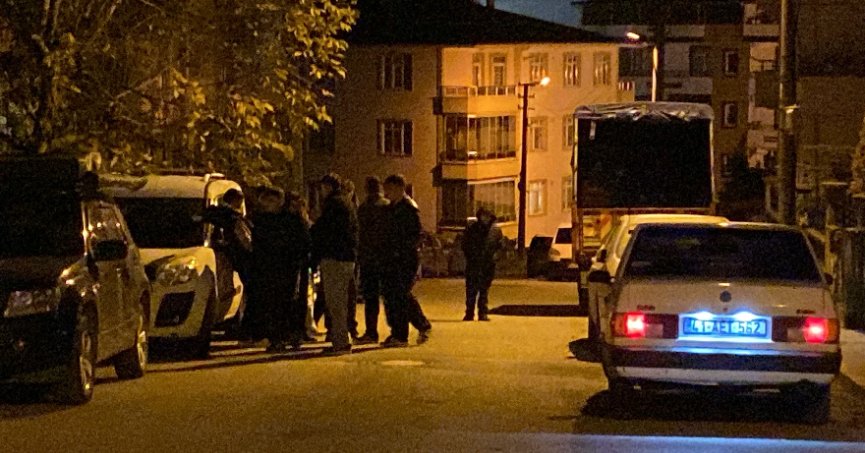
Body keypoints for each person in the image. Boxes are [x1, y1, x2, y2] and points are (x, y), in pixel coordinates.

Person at [247, 187, 310, 352]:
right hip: (269, 268)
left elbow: (302, 241)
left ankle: (286, 336)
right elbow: (257, 244)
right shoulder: (262, 219)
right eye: (266, 201)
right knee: (273, 304)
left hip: (287, 268)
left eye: (272, 201)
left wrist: (296, 259)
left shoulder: (290, 219)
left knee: (286, 303)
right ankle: (277, 338)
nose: (268, 204)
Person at [311, 173, 359, 355]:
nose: (321, 191)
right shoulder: (346, 203)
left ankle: (340, 342)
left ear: (328, 187)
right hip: (346, 257)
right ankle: (342, 339)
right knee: (341, 301)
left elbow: (324, 231)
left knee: (335, 302)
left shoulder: (333, 204)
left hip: (335, 257)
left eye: (323, 187)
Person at [381, 174, 431, 348]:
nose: (386, 192)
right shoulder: (393, 208)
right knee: (393, 295)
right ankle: (399, 331)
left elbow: (415, 235)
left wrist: (401, 251)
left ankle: (404, 332)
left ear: (399, 188)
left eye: (389, 188)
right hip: (393, 258)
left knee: (400, 294)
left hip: (404, 259)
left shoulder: (408, 209)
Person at [355, 176, 391, 344]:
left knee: (371, 297)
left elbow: (360, 233)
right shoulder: (386, 206)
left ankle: (371, 331)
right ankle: (396, 329)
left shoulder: (364, 207)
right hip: (384, 257)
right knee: (389, 295)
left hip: (369, 258)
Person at [461, 207, 503, 321]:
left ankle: (482, 312)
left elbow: (499, 246)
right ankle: (469, 313)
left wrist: (495, 256)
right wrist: (471, 256)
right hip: (474, 263)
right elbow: (465, 244)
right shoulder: (472, 229)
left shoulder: (495, 230)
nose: (485, 219)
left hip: (488, 264)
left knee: (484, 289)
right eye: (483, 216)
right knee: (471, 289)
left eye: (487, 216)